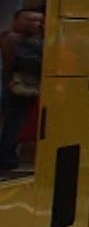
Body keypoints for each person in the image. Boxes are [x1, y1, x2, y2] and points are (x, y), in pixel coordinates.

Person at [1, 9, 44, 171]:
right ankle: (7, 158)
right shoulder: (12, 39)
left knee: (17, 125)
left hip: (24, 90)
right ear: (17, 22)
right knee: (13, 125)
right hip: (15, 89)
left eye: (39, 21)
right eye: (30, 20)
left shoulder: (35, 41)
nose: (35, 24)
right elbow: (11, 64)